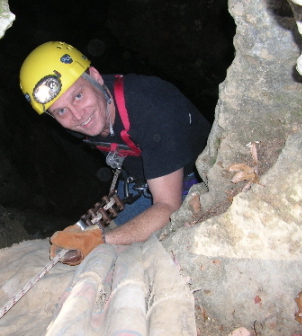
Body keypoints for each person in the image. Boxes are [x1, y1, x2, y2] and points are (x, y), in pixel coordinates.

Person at [20, 41, 211, 265]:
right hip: (140, 181)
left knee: (132, 253)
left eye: (78, 96)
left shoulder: (154, 107)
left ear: (96, 77)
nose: (78, 116)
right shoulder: (78, 124)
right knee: (111, 241)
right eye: (61, 110)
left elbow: (168, 206)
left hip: (190, 182)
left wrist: (98, 240)